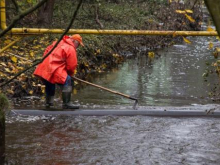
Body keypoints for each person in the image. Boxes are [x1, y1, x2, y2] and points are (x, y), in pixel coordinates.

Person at [34, 34, 84, 109]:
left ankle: (48, 103)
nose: (77, 46)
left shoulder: (58, 42)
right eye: (78, 44)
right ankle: (66, 103)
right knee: (67, 80)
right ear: (74, 41)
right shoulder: (70, 48)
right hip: (54, 68)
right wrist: (70, 75)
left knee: (49, 82)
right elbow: (71, 66)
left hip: (45, 66)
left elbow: (46, 51)